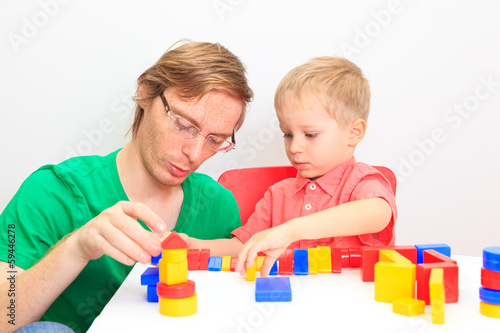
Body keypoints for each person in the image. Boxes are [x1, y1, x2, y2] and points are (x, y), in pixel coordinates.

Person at [0, 41, 253, 333]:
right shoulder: (52, 191)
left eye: (214, 140)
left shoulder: (218, 203)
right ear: (145, 93)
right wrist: (76, 248)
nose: (195, 154)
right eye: (184, 124)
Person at [231, 56, 397, 277]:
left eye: (310, 134)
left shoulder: (362, 181)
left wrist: (292, 230)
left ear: (353, 133)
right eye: (288, 134)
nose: (295, 147)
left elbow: (378, 213)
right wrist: (192, 245)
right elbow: (243, 247)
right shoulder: (277, 195)